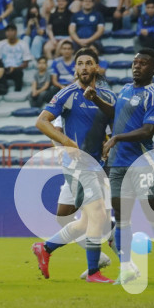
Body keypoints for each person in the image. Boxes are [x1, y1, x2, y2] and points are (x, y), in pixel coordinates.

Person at [32, 48, 116, 283]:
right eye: (80, 63)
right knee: (98, 215)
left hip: (99, 165)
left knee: (87, 220)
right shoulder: (67, 94)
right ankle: (94, 272)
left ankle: (45, 248)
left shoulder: (108, 97)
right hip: (78, 165)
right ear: (75, 68)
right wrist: (68, 144)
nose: (84, 67)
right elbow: (42, 121)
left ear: (96, 68)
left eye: (89, 63)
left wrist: (110, 144)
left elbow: (113, 128)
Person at [97, 49, 154, 285]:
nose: (137, 66)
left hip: (142, 162)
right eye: (135, 62)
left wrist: (116, 138)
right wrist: (96, 100)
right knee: (121, 218)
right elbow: (115, 114)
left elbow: (148, 131)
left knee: (153, 215)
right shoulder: (125, 90)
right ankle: (126, 268)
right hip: (118, 163)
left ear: (153, 69)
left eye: (143, 64)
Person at [0, 24, 31, 92]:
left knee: (19, 73)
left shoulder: (23, 44)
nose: (9, 33)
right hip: (4, 69)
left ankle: (18, 91)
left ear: (16, 32)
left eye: (12, 30)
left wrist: (14, 68)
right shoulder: (1, 44)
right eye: (8, 31)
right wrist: (4, 68)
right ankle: (4, 89)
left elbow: (26, 63)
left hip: (17, 69)